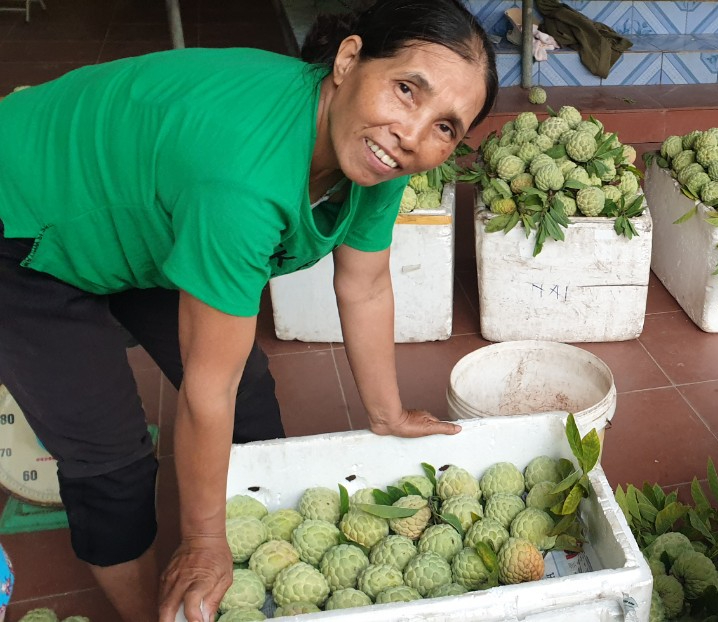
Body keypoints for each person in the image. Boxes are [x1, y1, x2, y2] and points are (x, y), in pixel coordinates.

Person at [0, 0, 497, 619]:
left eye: (446, 126)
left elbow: (365, 285)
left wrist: (388, 413)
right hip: (22, 212)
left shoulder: (379, 149)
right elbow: (208, 387)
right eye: (405, 90)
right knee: (111, 462)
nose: (415, 134)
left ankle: (254, 554)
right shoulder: (244, 178)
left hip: (142, 208)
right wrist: (203, 540)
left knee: (250, 395)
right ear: (348, 60)